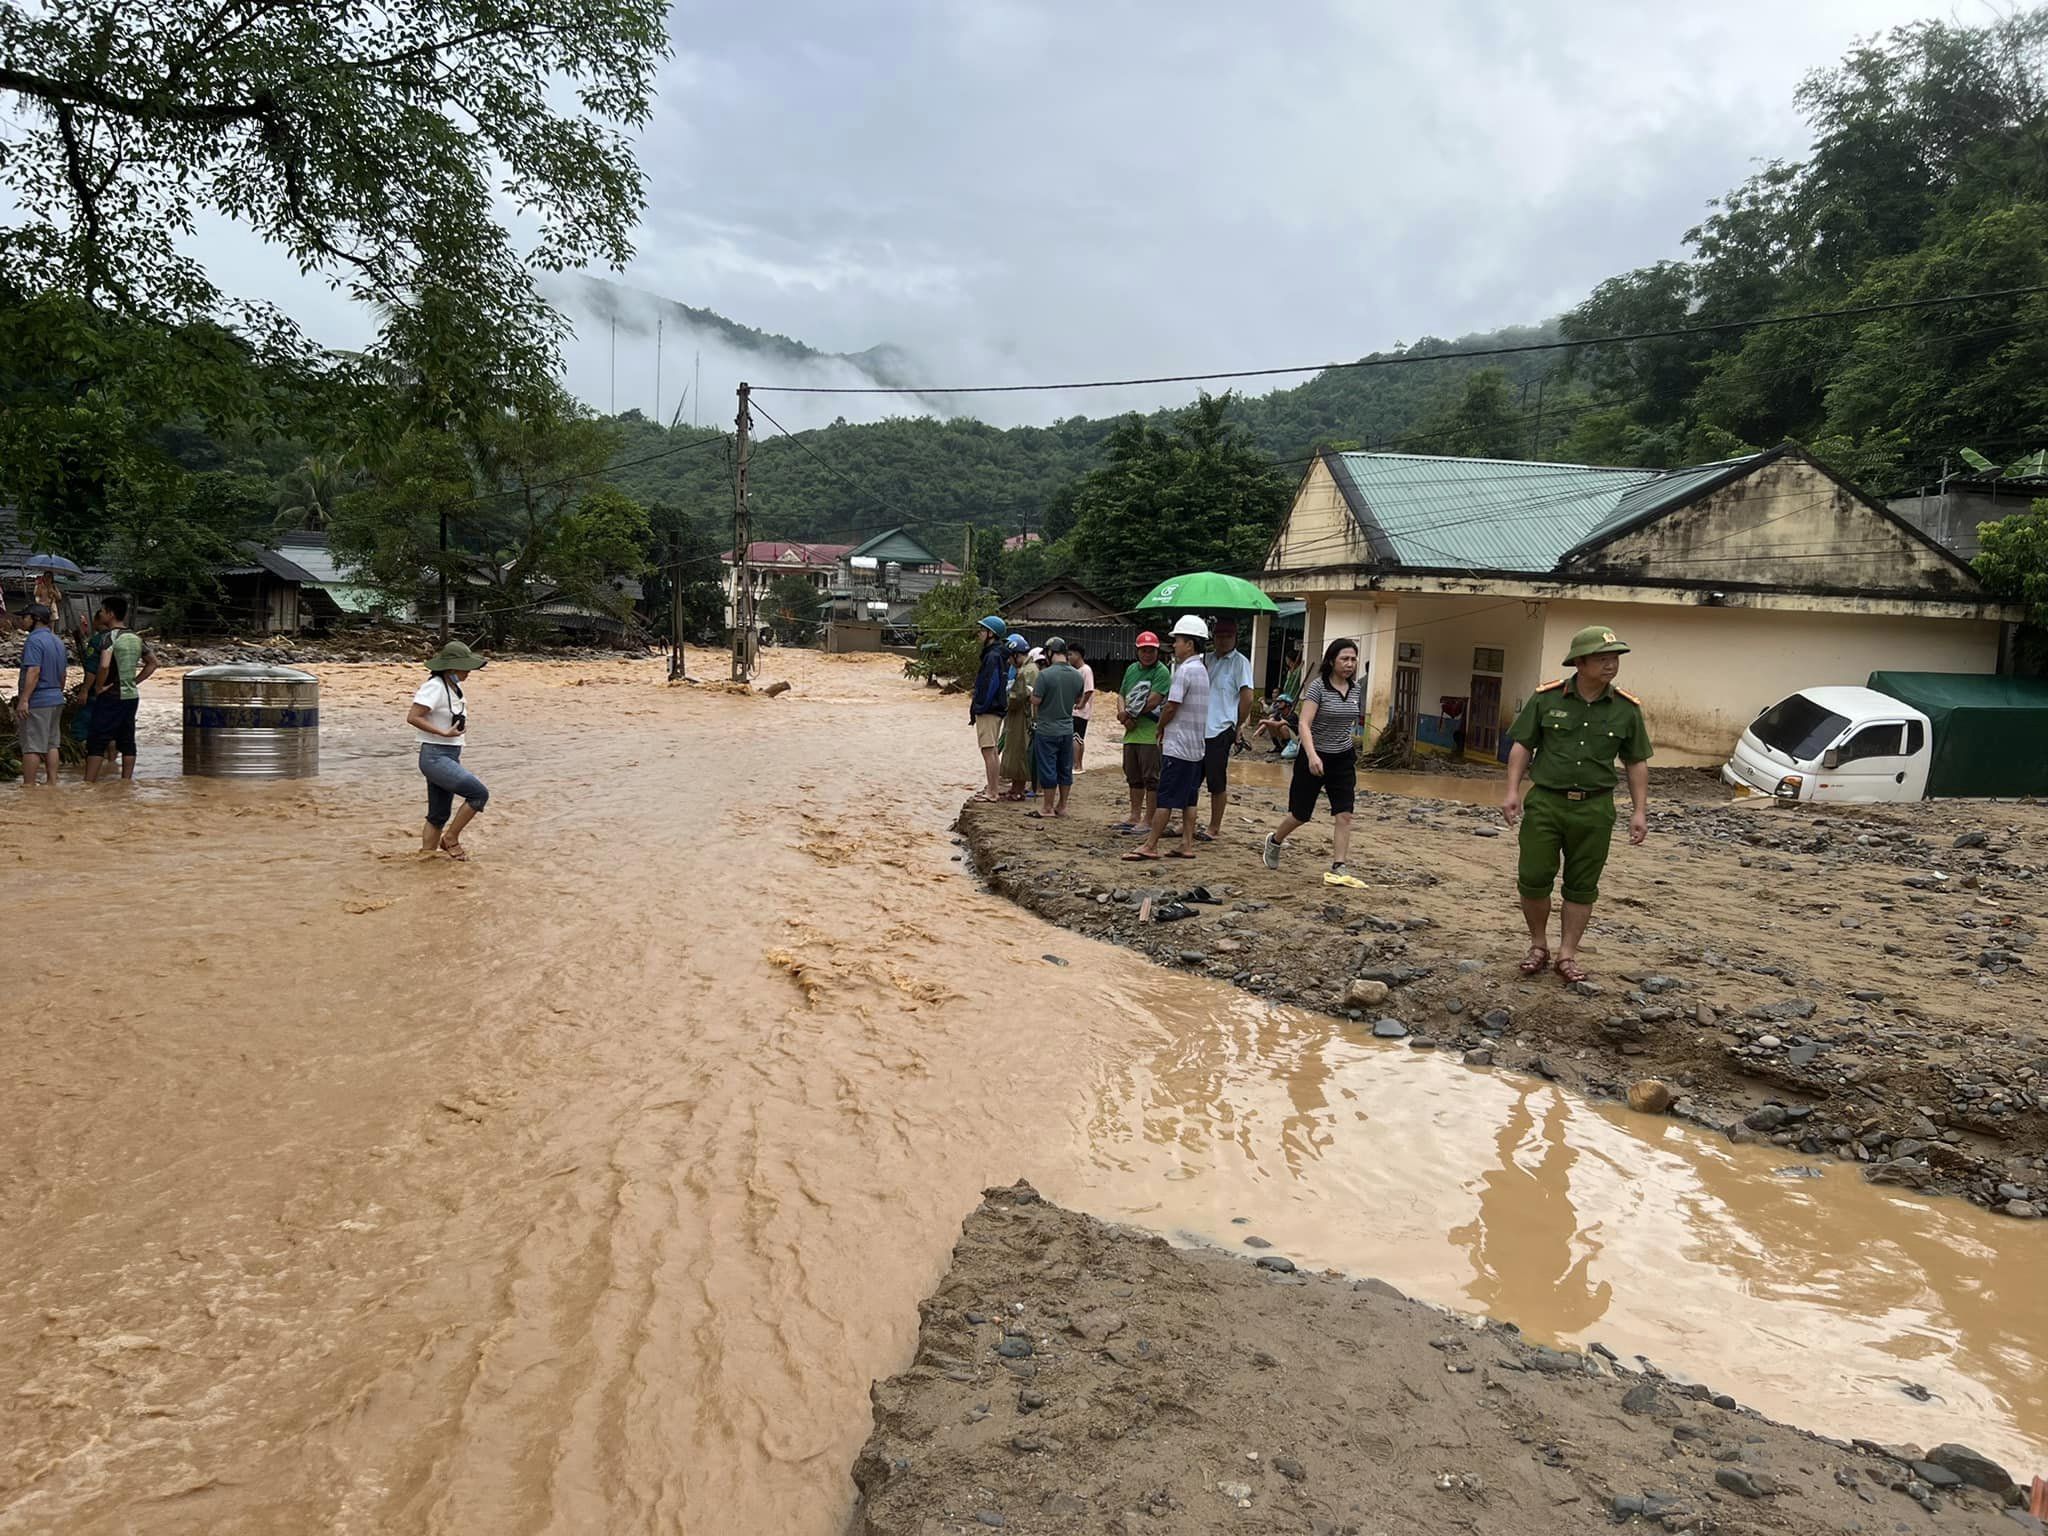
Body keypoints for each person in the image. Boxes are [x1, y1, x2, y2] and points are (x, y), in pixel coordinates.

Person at [1502, 624, 1651, 983]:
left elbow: (1636, 762)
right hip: (1546, 803)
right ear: (1579, 663)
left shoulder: (1626, 709)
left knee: (1582, 884)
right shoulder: (1547, 699)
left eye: (1614, 658)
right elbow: (1523, 745)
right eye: (1602, 659)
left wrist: (1640, 811)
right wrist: (1512, 791)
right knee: (1534, 877)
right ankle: (1538, 945)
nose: (1611, 665)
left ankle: (1567, 955)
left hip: (1595, 808)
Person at [1262, 637, 1364, 882]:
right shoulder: (1318, 687)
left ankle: (1339, 864)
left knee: (1344, 813)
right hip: (1314, 756)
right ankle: (1275, 840)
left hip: (1343, 758)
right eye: (1344, 659)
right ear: (1332, 660)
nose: (1349, 664)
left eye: (1353, 659)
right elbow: (1305, 724)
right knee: (1301, 814)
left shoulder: (1356, 689)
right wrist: (1312, 755)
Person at [1124, 615, 1210, 862]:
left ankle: (1150, 845)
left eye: (1178, 640)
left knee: (1166, 796)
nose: (1174, 645)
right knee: (1189, 798)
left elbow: (1171, 706)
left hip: (1179, 745)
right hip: (1196, 746)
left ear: (1190, 644)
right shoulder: (1203, 671)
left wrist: (1160, 727)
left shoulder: (1184, 672)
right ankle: (1187, 844)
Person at [409, 640, 492, 860]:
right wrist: (442, 733)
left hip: (449, 756)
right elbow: (413, 716)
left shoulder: (454, 688)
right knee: (478, 794)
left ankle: (426, 860)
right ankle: (451, 838)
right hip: (435, 756)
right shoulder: (434, 687)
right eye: (465, 667)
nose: (468, 672)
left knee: (437, 816)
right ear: (450, 668)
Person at [84, 596, 156, 783]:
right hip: (131, 696)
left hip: (111, 695)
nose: (100, 614)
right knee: (127, 739)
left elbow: (105, 665)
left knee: (97, 739)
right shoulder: (135, 637)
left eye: (102, 610)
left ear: (110, 613)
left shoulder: (109, 637)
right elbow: (153, 663)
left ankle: (89, 783)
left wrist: (99, 687)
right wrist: (133, 681)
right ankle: (126, 782)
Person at [1198, 616, 1255, 843]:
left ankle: (1214, 826)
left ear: (1235, 638)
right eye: (1219, 636)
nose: (1223, 641)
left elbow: (1247, 697)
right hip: (1197, 727)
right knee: (1192, 778)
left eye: (1228, 636)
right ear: (1213, 638)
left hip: (1221, 728)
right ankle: (1187, 822)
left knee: (1216, 780)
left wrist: (1238, 724)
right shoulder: (1205, 660)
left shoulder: (1240, 662)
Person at [1115, 631, 1171, 834]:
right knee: (1133, 775)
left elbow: (1154, 700)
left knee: (1151, 778)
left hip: (1150, 733)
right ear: (1138, 651)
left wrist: (1129, 716)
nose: (1148, 654)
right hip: (1131, 733)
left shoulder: (1162, 672)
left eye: (1151, 650)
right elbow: (1121, 693)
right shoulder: (1131, 669)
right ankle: (1134, 814)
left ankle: (1149, 818)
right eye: (1144, 650)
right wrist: (1122, 712)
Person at [1029, 635, 1087, 818]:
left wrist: (1029, 695)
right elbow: (1078, 700)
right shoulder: (1077, 675)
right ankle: (1062, 806)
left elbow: (1036, 700)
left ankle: (1047, 807)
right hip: (1067, 729)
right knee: (1064, 768)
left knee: (1048, 768)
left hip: (1047, 729)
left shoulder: (1045, 675)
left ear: (1050, 653)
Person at [13, 603, 67, 787]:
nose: (22, 620)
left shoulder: (34, 641)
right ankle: (52, 782)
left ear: (35, 619)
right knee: (52, 744)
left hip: (38, 700)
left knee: (32, 746)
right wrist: (58, 692)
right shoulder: (57, 641)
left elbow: (34, 671)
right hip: (56, 698)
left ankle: (29, 786)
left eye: (24, 617)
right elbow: (63, 674)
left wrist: (24, 699)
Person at [968, 614, 1009, 802]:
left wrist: (980, 706)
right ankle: (993, 789)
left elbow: (991, 684)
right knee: (991, 751)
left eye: (982, 630)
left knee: (988, 750)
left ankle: (992, 792)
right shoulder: (997, 654)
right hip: (995, 708)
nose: (979, 633)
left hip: (989, 709)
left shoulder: (992, 655)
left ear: (991, 634)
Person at [998, 634, 1037, 800]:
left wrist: (1005, 699)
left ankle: (1018, 791)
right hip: (1023, 717)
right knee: (1016, 752)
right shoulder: (1029, 669)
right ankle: (1015, 788)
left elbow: (1019, 696)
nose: (1008, 662)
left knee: (1018, 752)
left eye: (1010, 658)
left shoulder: (1027, 672)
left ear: (1016, 655)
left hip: (1022, 718)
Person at [1065, 640, 1095, 772]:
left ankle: (1076, 765)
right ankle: (1078, 764)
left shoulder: (1085, 670)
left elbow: (1089, 690)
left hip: (1079, 710)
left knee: (1076, 737)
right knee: (1078, 737)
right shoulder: (1077, 670)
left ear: (1078, 655)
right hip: (1078, 709)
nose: (1069, 657)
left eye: (1070, 654)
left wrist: (1081, 704)